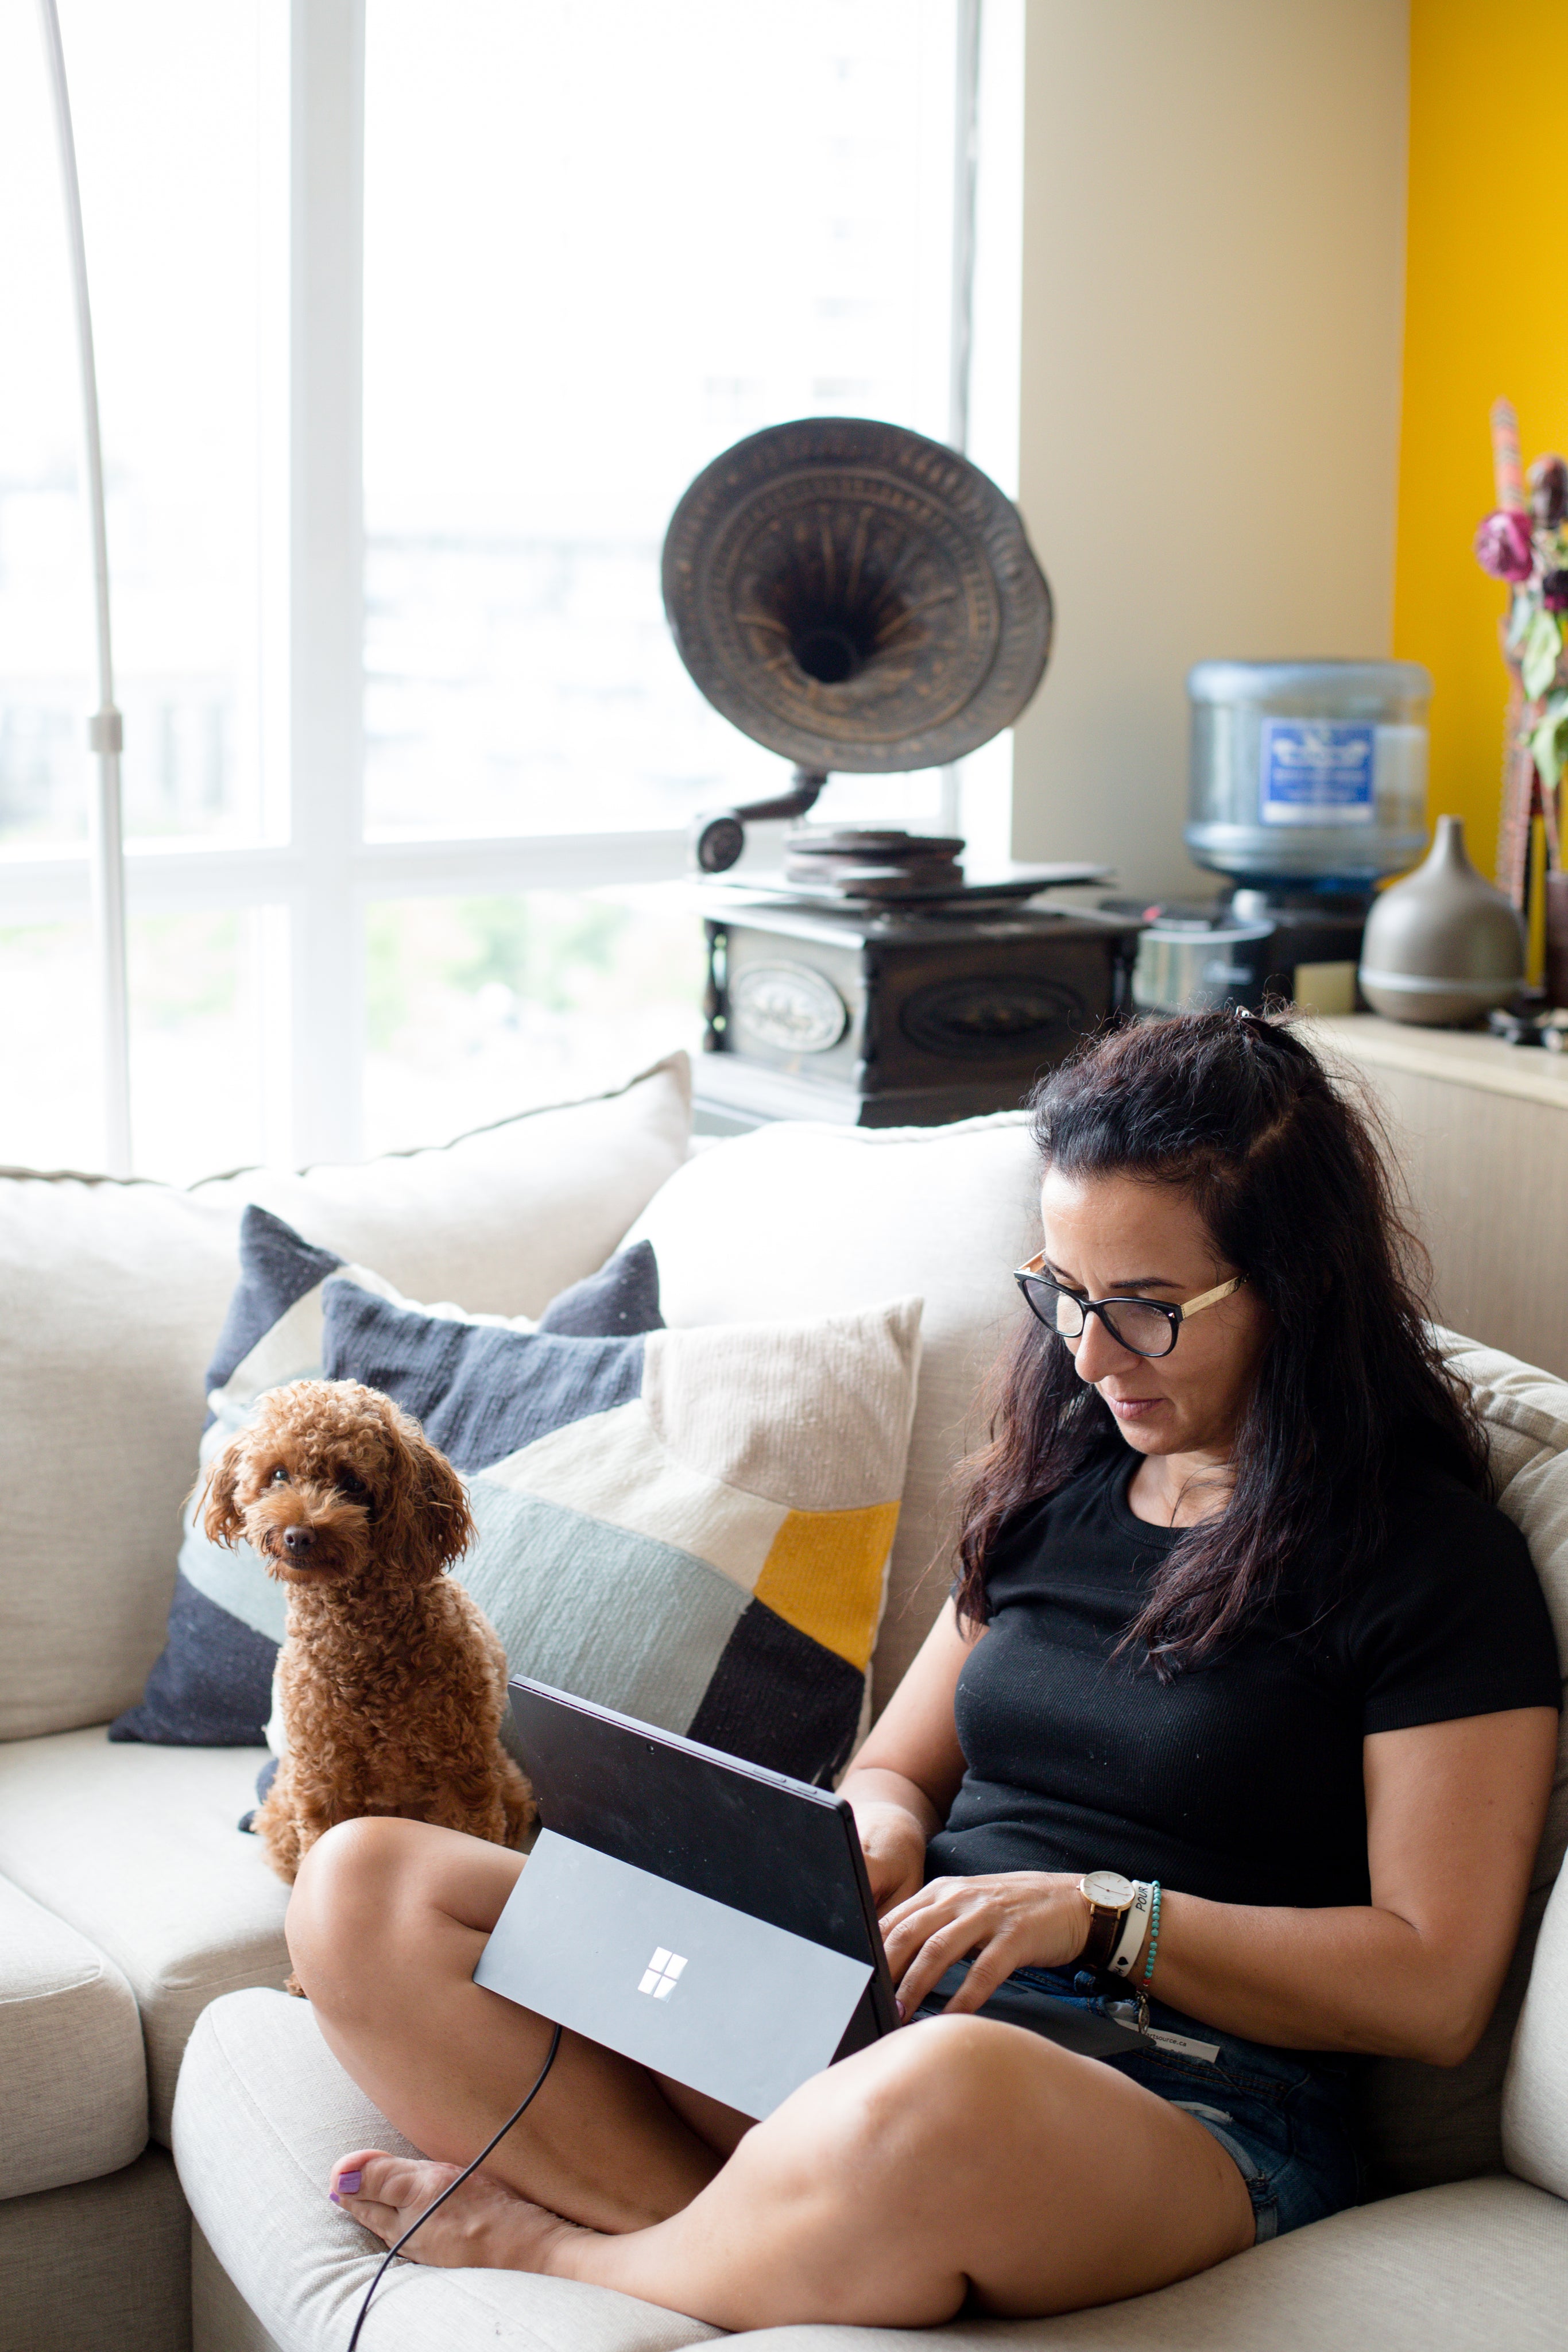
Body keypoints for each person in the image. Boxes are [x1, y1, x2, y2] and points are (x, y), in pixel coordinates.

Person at [287, 1009, 1561, 2327]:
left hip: (1173, 2096)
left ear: (1299, 1284)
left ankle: (576, 2256)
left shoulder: (1430, 1563)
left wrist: (1101, 1911)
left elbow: (1433, 1984)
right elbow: (898, 1762)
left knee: (941, 2088)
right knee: (368, 1886)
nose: (1088, 1353)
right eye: (1066, 1291)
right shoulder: (1064, 1483)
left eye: (1146, 1309)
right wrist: (878, 1840)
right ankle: (751, 2239)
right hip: (889, 2016)